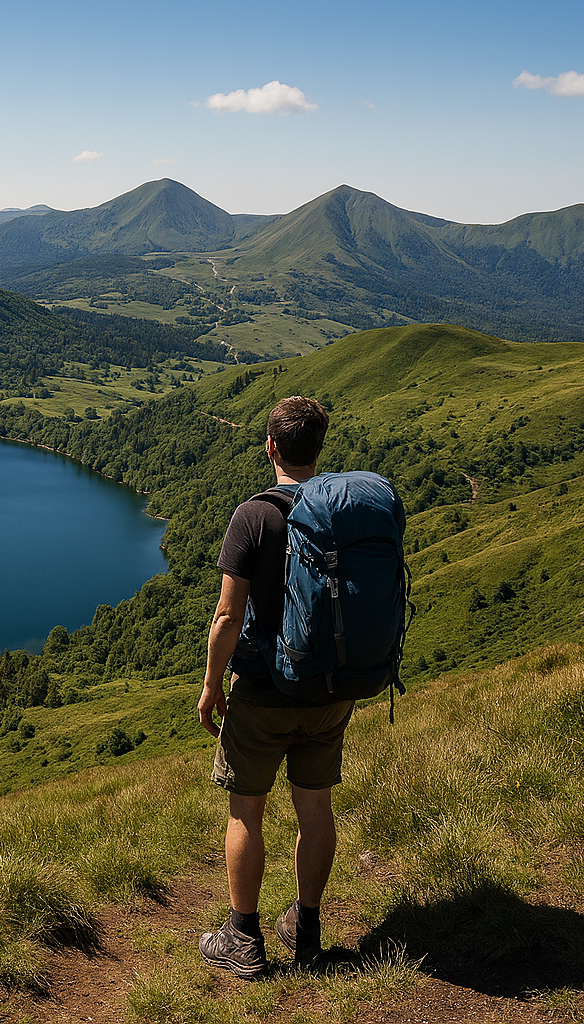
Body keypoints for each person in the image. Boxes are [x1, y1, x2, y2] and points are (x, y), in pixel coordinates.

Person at [197, 395, 350, 977]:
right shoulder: (341, 513)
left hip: (262, 693)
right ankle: (306, 928)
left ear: (270, 448)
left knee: (246, 810)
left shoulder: (254, 516)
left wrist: (212, 685)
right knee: (316, 806)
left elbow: (227, 616)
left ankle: (243, 937)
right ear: (318, 449)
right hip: (329, 692)